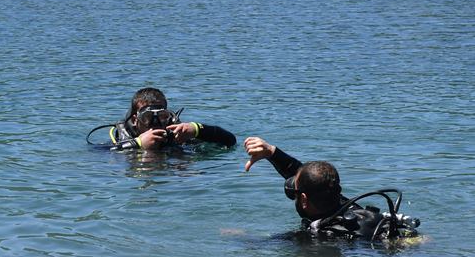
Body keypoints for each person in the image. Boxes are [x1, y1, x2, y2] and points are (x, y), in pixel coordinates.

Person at [243, 136, 420, 241]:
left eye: (295, 193)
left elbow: (258, 244)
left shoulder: (315, 235)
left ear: (304, 200)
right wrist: (272, 153)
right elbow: (310, 178)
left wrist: (235, 236)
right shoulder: (348, 207)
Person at [90, 87, 236, 150]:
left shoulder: (178, 135)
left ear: (169, 117)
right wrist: (138, 144)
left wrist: (197, 129)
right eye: (147, 117)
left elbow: (230, 141)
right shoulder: (121, 142)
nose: (155, 124)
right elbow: (96, 154)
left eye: (161, 117)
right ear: (135, 119)